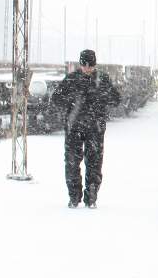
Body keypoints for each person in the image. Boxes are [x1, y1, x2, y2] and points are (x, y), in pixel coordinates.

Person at [52, 49, 122, 209]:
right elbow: (56, 98)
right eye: (85, 65)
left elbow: (116, 99)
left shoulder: (102, 79)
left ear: (95, 65)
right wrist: (71, 101)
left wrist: (102, 99)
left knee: (95, 163)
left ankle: (91, 198)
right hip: (74, 127)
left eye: (90, 66)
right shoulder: (71, 79)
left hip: (95, 128)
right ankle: (74, 197)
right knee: (72, 163)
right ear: (80, 64)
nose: (87, 69)